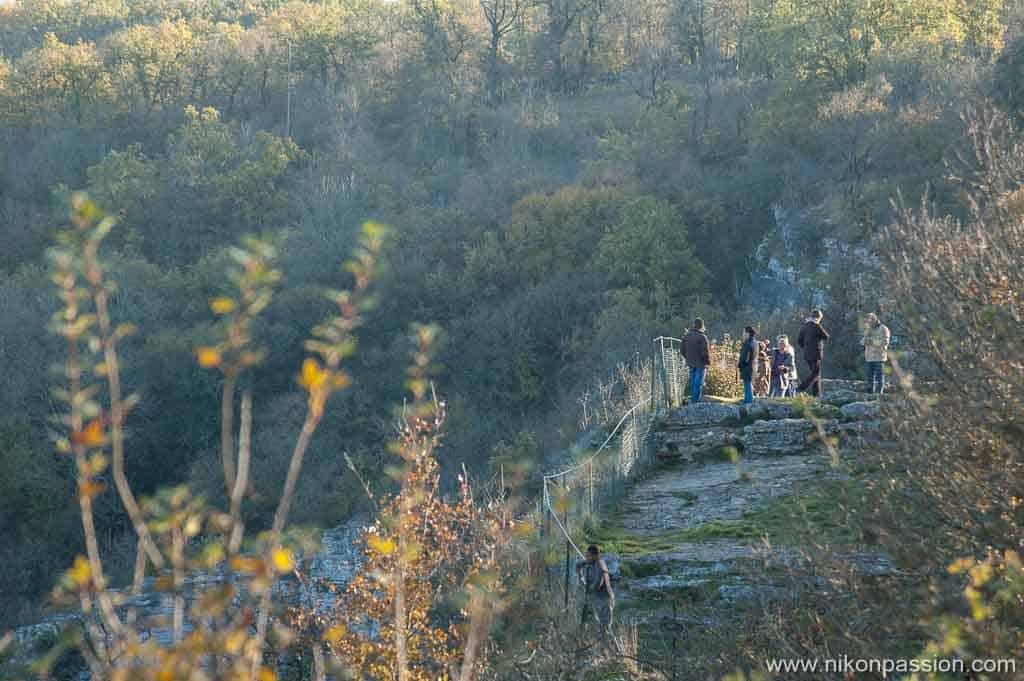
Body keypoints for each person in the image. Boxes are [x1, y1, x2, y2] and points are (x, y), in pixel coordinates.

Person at [576, 545, 615, 647]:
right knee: (593, 625)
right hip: (596, 600)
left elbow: (598, 583)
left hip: (605, 600)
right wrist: (581, 577)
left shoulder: (600, 565)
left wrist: (588, 587)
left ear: (596, 556)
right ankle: (596, 647)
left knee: (605, 628)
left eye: (589, 556)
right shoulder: (590, 562)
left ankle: (614, 650)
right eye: (586, 556)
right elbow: (578, 565)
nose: (586, 557)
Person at [796, 309, 830, 397]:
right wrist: (818, 325)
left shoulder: (805, 326)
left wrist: (806, 347)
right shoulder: (816, 325)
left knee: (816, 374)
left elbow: (799, 341)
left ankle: (816, 395)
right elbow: (826, 336)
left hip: (807, 354)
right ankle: (801, 387)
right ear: (818, 317)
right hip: (816, 354)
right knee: (815, 373)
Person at [682, 318, 711, 403]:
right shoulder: (702, 337)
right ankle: (695, 401)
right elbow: (705, 353)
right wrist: (707, 362)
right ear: (702, 326)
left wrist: (687, 357)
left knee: (693, 381)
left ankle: (693, 399)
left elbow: (682, 350)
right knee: (698, 383)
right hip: (700, 364)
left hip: (690, 363)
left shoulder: (687, 336)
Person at [861, 313, 891, 395]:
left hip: (879, 356)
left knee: (879, 376)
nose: (868, 323)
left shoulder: (884, 329)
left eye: (869, 321)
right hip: (869, 357)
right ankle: (870, 392)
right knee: (869, 376)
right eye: (867, 322)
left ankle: (879, 393)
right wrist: (865, 341)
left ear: (874, 320)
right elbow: (862, 341)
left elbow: (885, 342)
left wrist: (872, 341)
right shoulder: (868, 329)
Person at [737, 326, 759, 405]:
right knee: (748, 383)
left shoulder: (748, 343)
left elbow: (745, 358)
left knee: (747, 384)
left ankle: (748, 401)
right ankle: (747, 400)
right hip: (753, 366)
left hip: (747, 367)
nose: (743, 334)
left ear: (748, 333)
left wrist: (740, 365)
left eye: (744, 332)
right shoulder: (755, 342)